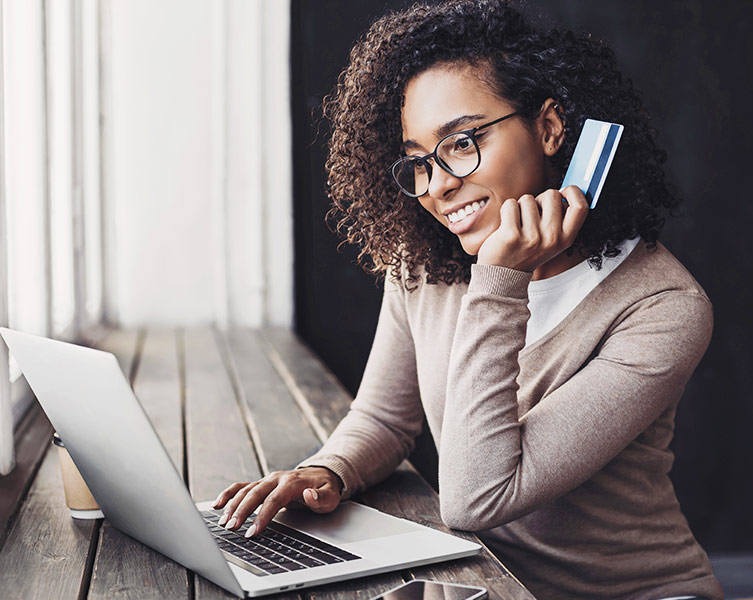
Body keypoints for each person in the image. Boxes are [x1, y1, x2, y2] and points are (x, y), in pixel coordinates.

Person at [212, 1, 723, 598]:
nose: (440, 184)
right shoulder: (425, 266)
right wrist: (327, 470)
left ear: (550, 127)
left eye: (462, 142)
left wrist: (501, 279)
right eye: (418, 162)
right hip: (483, 582)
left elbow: (478, 497)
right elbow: (384, 418)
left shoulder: (663, 307)